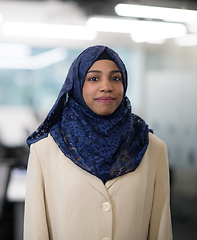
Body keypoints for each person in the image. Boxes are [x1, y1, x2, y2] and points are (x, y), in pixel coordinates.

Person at [24, 45, 172, 240]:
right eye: (94, 78)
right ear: (76, 85)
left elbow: (161, 228)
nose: (106, 86)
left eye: (115, 78)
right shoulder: (45, 149)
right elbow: (36, 231)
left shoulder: (151, 147)